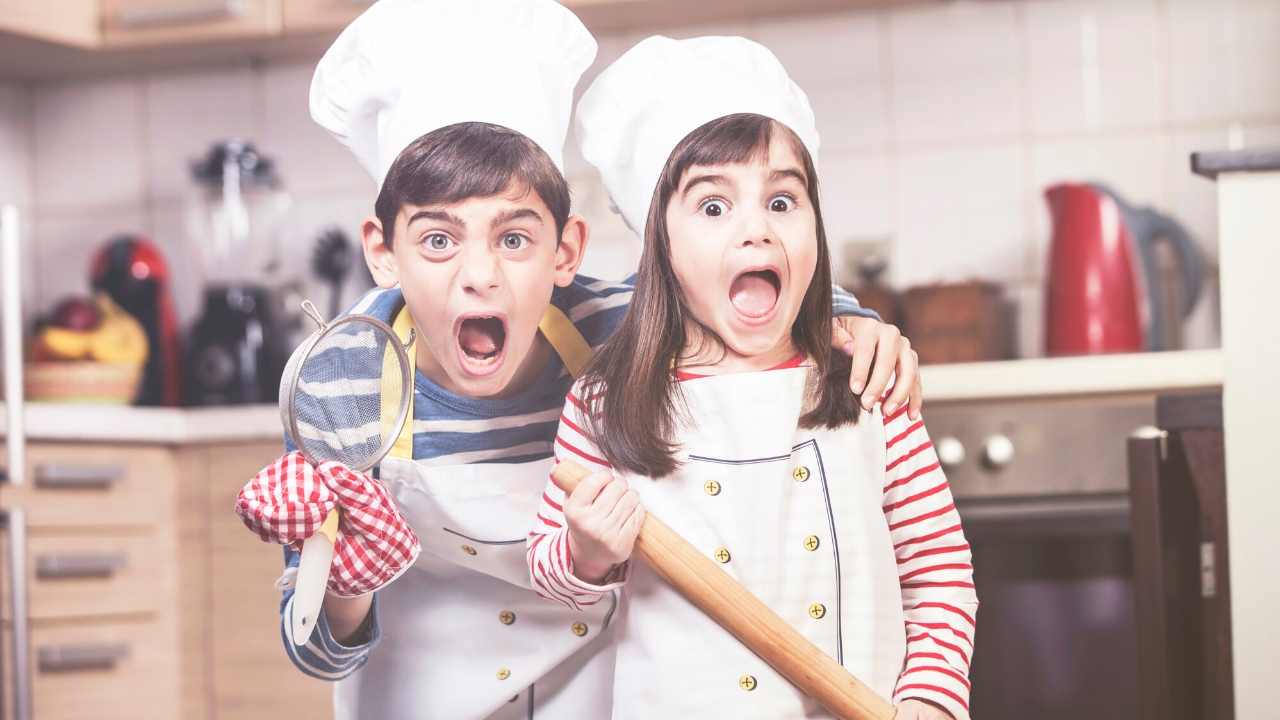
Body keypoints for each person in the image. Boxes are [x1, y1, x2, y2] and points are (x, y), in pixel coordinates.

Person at [233, 2, 924, 718]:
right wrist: (347, 580)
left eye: (514, 239)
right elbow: (312, 647)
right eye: (439, 240)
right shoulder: (341, 380)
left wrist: (851, 320)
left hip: (585, 694)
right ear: (382, 250)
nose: (480, 277)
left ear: (567, 251)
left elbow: (726, 279)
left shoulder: (610, 329)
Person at [528, 36, 977, 720]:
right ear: (663, 244)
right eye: (713, 206)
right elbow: (555, 582)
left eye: (782, 202)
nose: (755, 232)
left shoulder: (866, 389)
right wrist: (585, 552)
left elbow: (939, 572)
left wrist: (930, 702)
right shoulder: (602, 405)